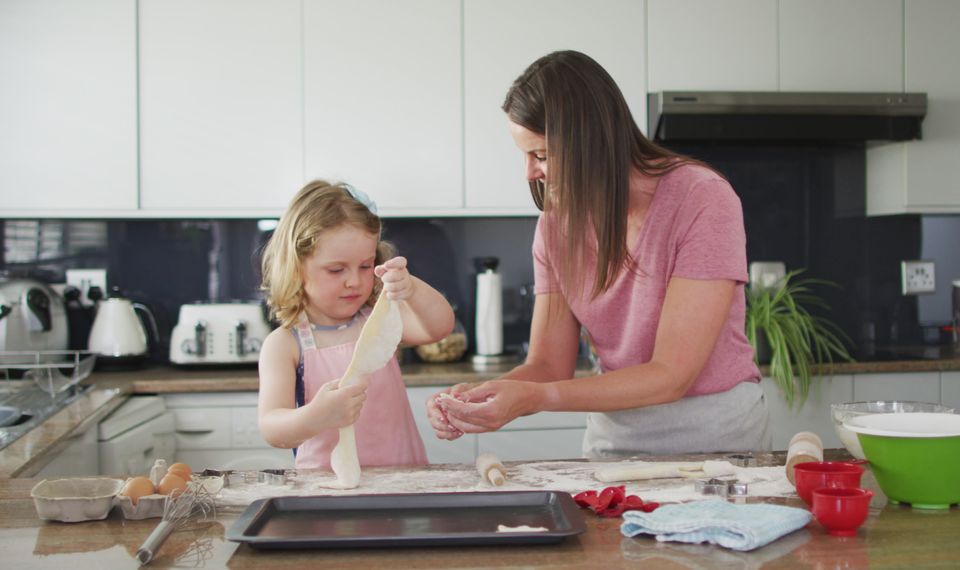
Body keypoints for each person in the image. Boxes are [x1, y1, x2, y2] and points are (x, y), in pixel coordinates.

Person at [426, 50, 768, 458]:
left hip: (716, 440)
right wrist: (486, 395)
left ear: (590, 141)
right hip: (614, 441)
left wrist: (534, 399)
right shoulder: (557, 224)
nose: (530, 173)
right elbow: (548, 367)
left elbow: (671, 376)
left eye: (542, 155)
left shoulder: (702, 198)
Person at [258, 180, 455, 470]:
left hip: (403, 481)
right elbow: (271, 427)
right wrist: (317, 416)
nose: (354, 281)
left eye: (365, 266)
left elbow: (439, 327)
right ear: (296, 266)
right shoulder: (286, 343)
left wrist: (411, 287)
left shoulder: (378, 320)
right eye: (336, 269)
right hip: (326, 492)